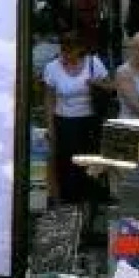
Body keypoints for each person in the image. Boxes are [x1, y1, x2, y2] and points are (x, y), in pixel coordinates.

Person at [43, 33, 111, 210]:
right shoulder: (52, 68)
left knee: (88, 165)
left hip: (89, 122)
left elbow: (111, 86)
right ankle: (67, 204)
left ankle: (88, 204)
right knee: (67, 165)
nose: (67, 56)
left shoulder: (93, 63)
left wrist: (97, 83)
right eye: (64, 52)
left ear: (79, 50)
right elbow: (49, 100)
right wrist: (50, 126)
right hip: (64, 122)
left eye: (71, 52)